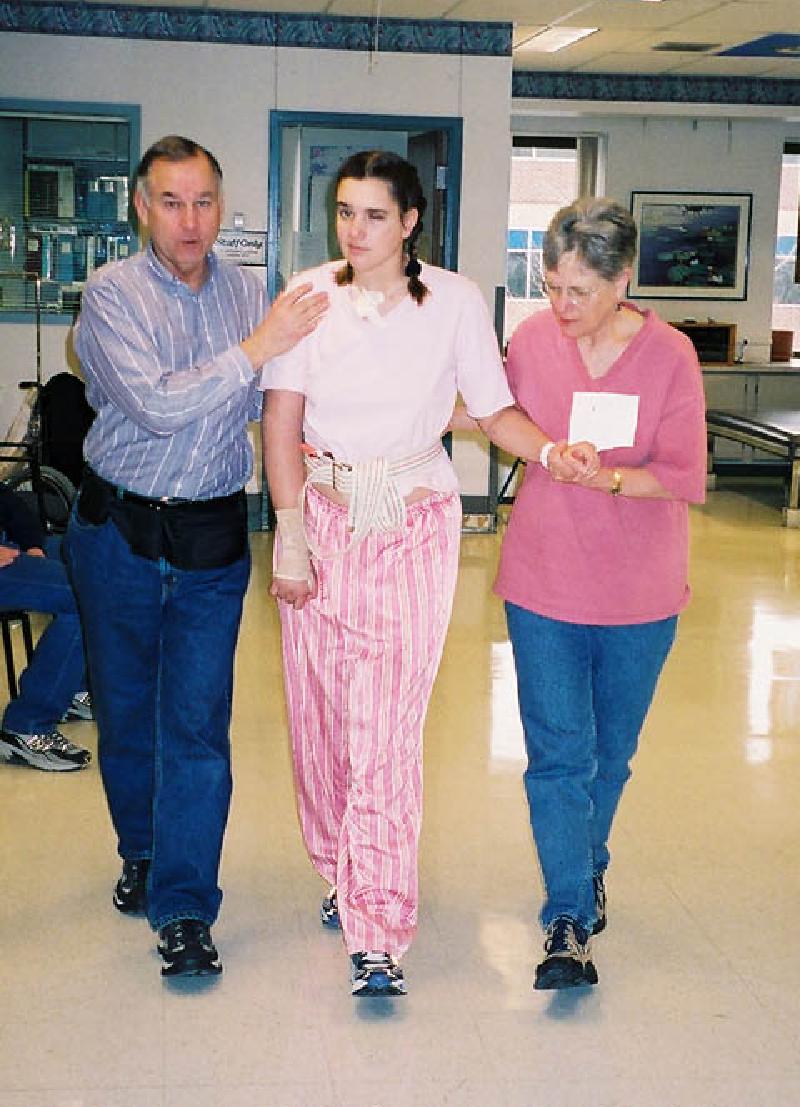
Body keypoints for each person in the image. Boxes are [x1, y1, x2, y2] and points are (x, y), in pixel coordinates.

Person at [261, 149, 595, 998]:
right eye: (345, 212)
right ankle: (340, 864)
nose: (355, 230)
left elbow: (493, 409)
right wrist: (290, 534)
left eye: (375, 215)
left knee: (386, 729)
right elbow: (282, 419)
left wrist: (550, 451)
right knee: (322, 721)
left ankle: (379, 929)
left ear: (410, 221)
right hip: (323, 516)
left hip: (413, 523)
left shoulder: (453, 300)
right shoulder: (308, 294)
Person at [64, 135, 328, 980]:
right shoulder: (111, 294)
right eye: (172, 202)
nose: (190, 220)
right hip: (118, 532)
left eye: (204, 202)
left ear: (222, 205)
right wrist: (254, 349)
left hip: (212, 537)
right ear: (142, 207)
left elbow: (281, 401)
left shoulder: (250, 292)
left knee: (197, 725)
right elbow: (155, 404)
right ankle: (142, 850)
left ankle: (184, 907)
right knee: (126, 713)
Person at [494, 197, 707, 991]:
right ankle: (568, 917)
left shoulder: (670, 355)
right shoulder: (531, 340)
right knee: (558, 756)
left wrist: (607, 476)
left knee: (607, 757)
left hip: (639, 594)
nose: (561, 304)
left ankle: (587, 865)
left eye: (579, 290)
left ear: (623, 280)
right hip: (542, 582)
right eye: (551, 286)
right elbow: (496, 413)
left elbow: (681, 474)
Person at [0, 483, 91, 772]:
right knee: (85, 595)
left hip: (9, 544)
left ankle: (72, 688)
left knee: (97, 560)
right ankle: (28, 727)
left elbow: (7, 501)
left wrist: (33, 545)